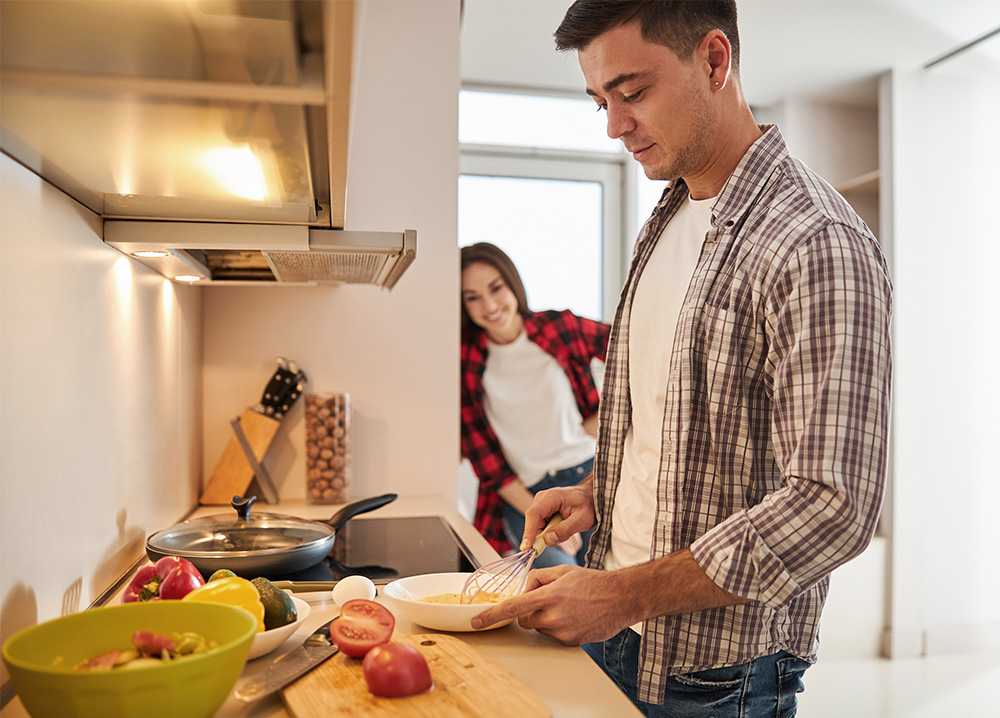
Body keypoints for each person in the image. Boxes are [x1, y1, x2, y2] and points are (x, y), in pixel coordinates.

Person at [471, 2, 893, 717]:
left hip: (718, 672)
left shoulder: (815, 242)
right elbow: (666, 426)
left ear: (716, 61)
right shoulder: (667, 217)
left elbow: (834, 506)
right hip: (614, 627)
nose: (613, 124)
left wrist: (626, 592)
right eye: (600, 100)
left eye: (632, 92)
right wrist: (598, 494)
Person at [460, 242, 611, 567]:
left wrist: (608, 417)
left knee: (614, 584)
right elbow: (491, 470)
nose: (488, 304)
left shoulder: (559, 327)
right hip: (528, 498)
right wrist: (542, 515)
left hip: (592, 478)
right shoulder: (465, 363)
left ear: (512, 284)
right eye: (472, 297)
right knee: (561, 582)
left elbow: (633, 346)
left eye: (495, 288)